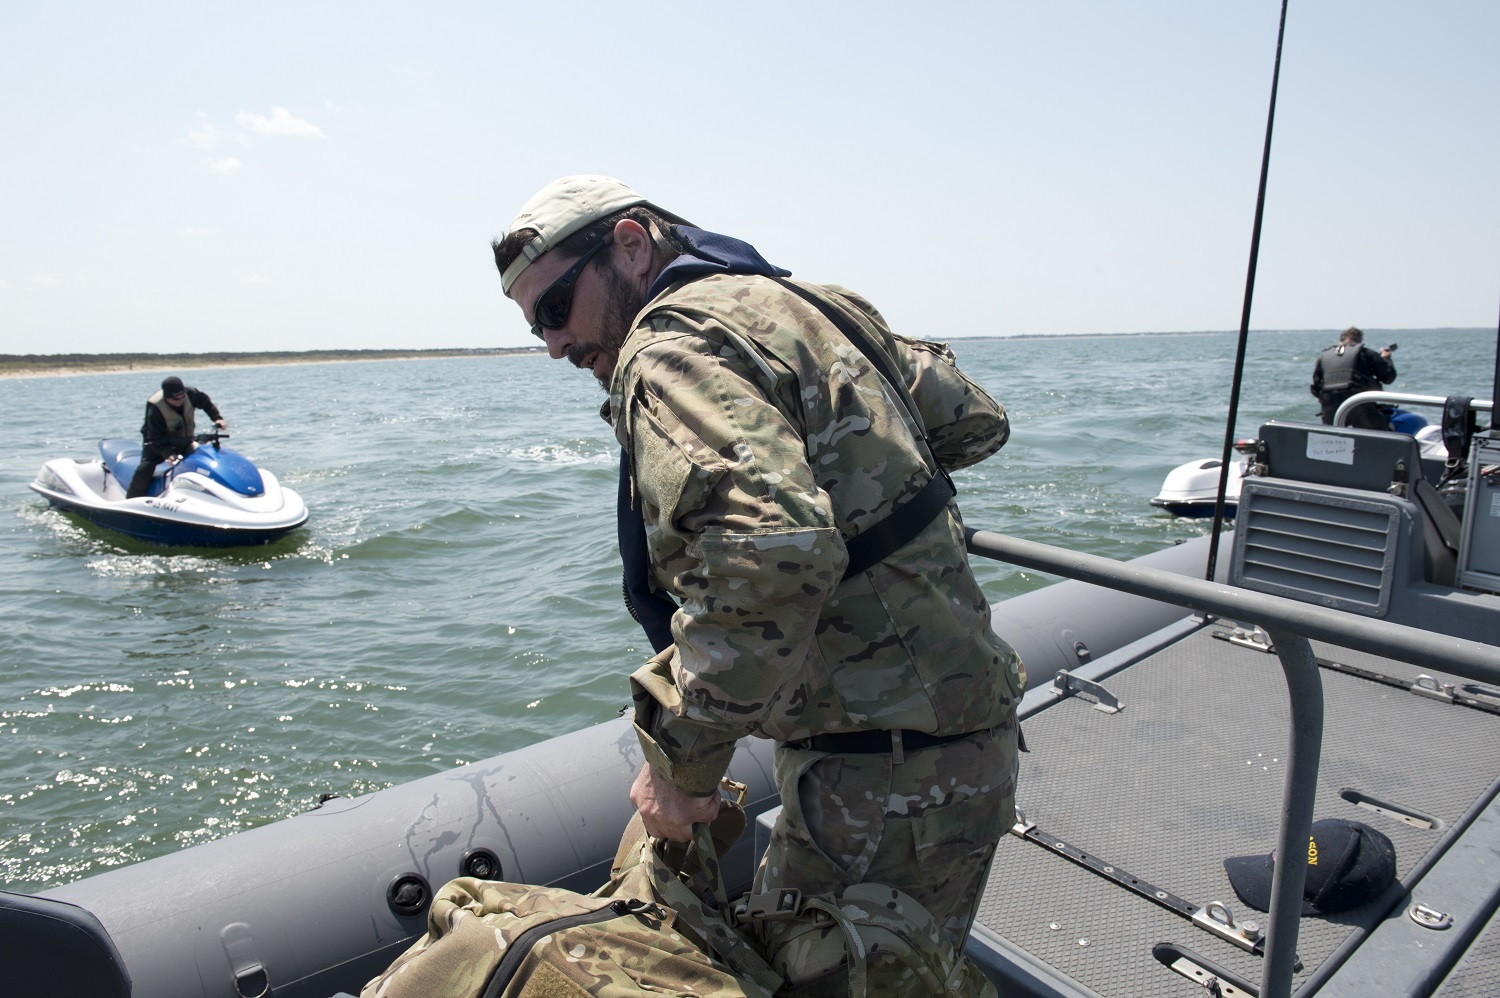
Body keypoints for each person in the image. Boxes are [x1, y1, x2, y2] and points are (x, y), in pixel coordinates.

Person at [491, 176, 1023, 973]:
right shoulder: (809, 305)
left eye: (556, 308)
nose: (555, 345)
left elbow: (767, 561)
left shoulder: (667, 350)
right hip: (962, 728)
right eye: (536, 326)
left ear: (631, 245)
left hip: (877, 771)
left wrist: (683, 765)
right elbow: (973, 419)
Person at [125, 376, 228, 498]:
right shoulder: (155, 408)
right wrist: (168, 453)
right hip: (157, 443)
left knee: (206, 456)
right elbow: (154, 438)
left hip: (184, 440)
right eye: (176, 399)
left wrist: (217, 418)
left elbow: (205, 402)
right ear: (167, 398)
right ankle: (132, 499)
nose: (180, 400)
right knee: (145, 469)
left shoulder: (190, 394)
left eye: (182, 396)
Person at [1310, 326, 1397, 428]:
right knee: (1380, 431)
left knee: (1330, 437)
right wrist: (1386, 359)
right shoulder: (1366, 353)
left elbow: (1316, 386)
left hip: (1330, 407)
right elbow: (1388, 377)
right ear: (1359, 340)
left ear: (1340, 340)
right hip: (1359, 406)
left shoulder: (1323, 357)